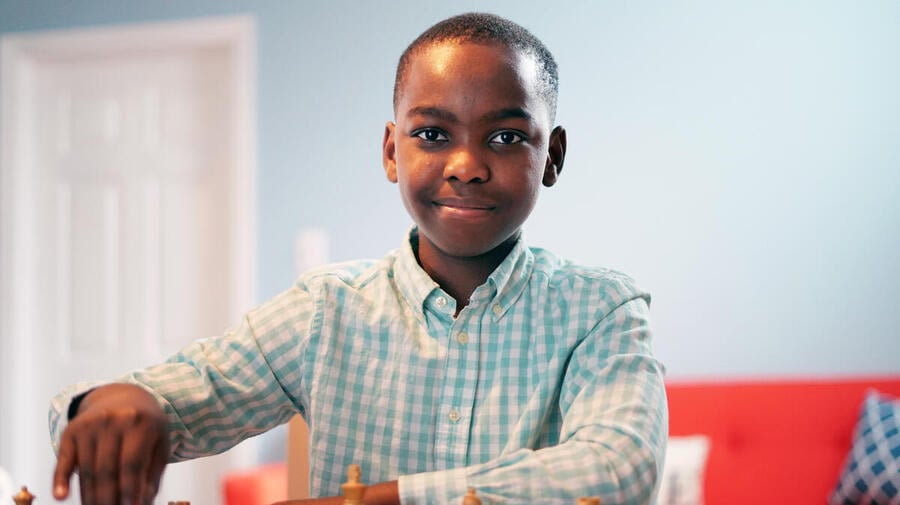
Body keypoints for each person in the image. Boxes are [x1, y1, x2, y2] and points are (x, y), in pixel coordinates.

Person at [49, 12, 667, 505]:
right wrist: (113, 405)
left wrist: (378, 502)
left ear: (552, 156)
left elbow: (619, 468)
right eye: (432, 134)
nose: (467, 165)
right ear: (392, 151)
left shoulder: (601, 311)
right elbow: (186, 397)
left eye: (506, 137)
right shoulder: (325, 310)